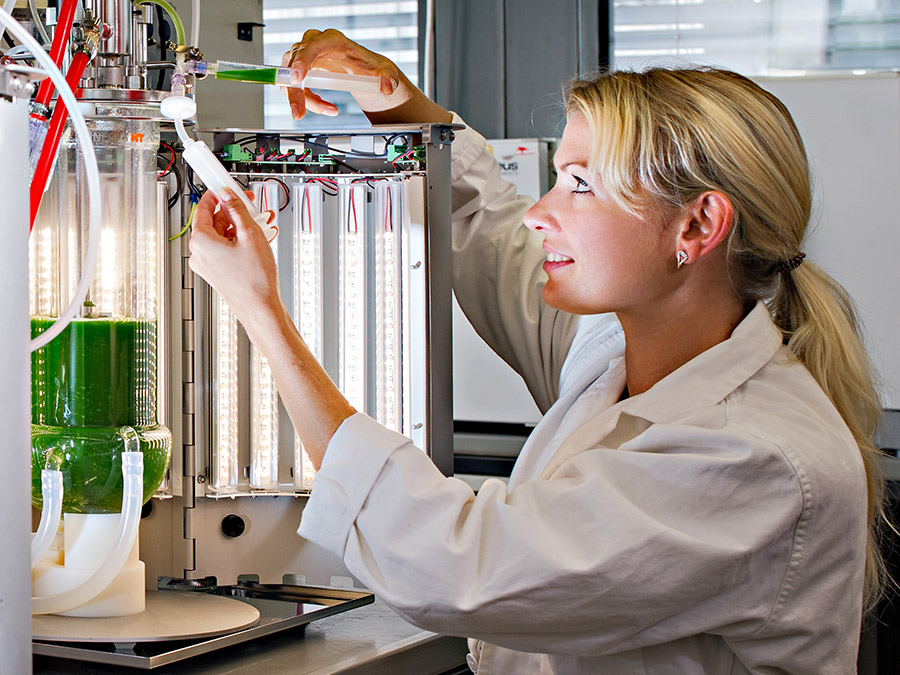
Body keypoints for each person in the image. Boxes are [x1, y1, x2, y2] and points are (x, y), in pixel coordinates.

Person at [187, 29, 886, 674]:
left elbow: (459, 567)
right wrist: (394, 98)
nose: (540, 212)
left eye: (580, 184)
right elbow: (483, 221)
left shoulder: (752, 456)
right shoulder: (618, 351)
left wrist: (260, 309)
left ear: (697, 224)